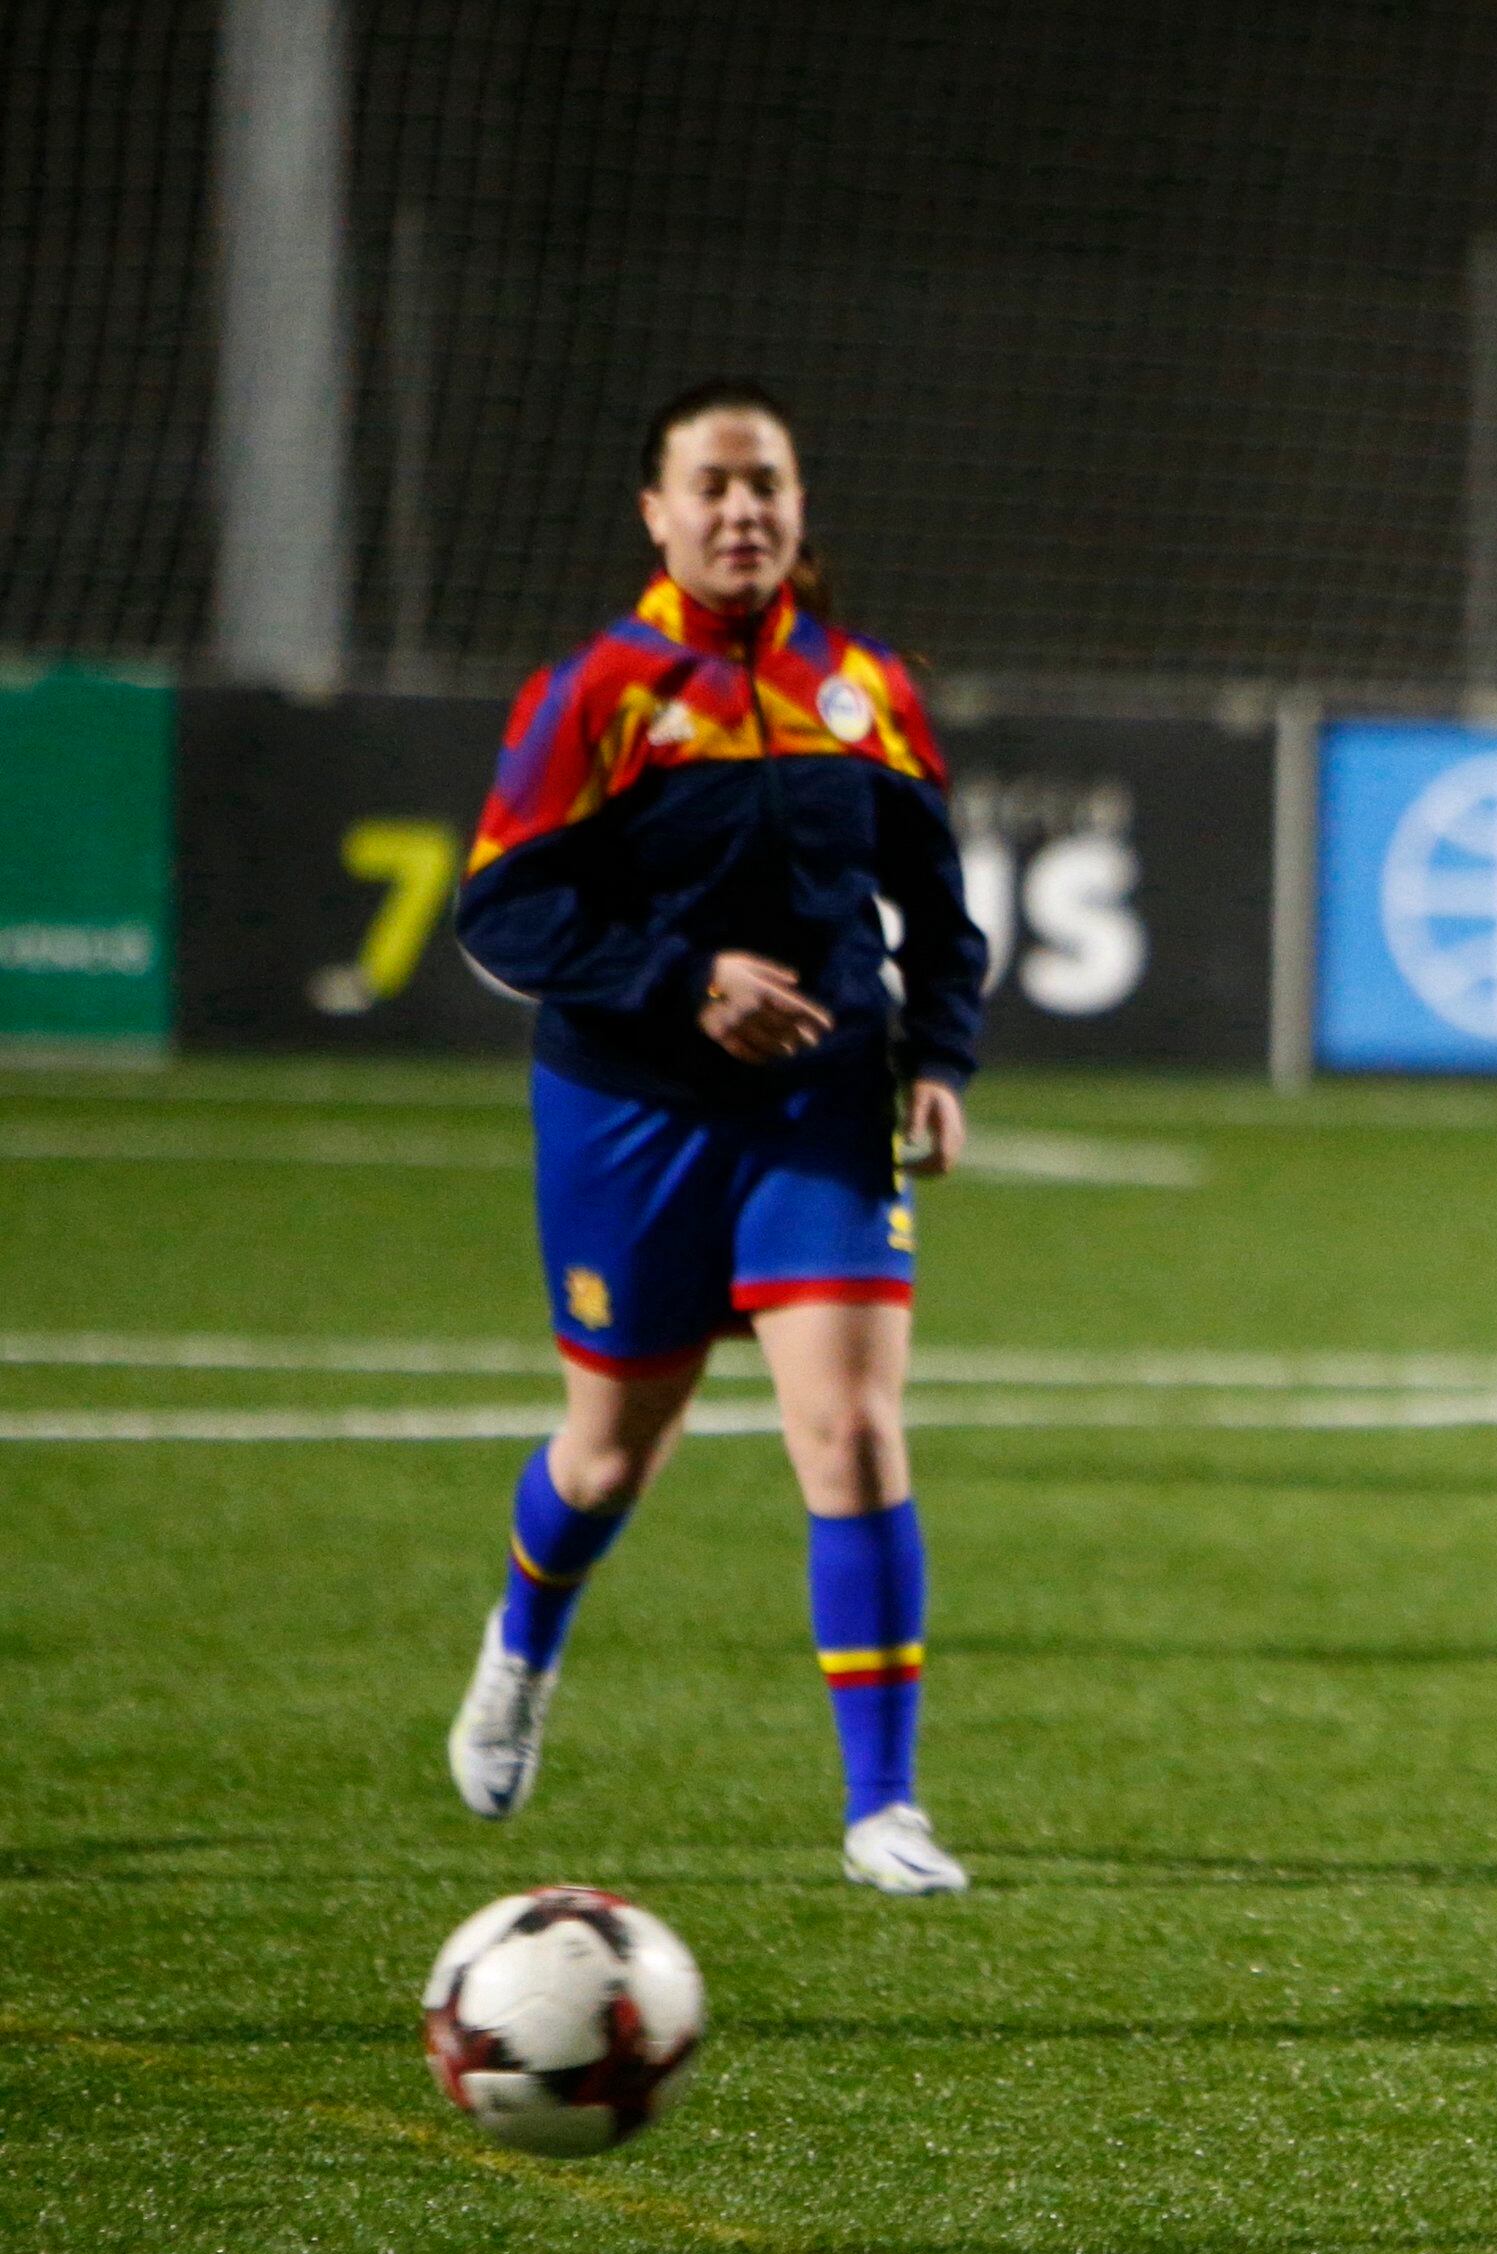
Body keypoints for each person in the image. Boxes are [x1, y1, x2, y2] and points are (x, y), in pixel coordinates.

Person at [441, 378, 986, 1897]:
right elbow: (501, 905)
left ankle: (885, 1805)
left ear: (800, 509)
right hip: (632, 1111)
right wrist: (685, 981)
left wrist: (939, 1052)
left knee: (855, 1431)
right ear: (657, 512)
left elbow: (938, 907)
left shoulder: (863, 687)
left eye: (770, 485)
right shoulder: (595, 691)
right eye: (715, 486)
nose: (744, 510)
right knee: (612, 1453)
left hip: (822, 1102)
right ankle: (520, 1651)